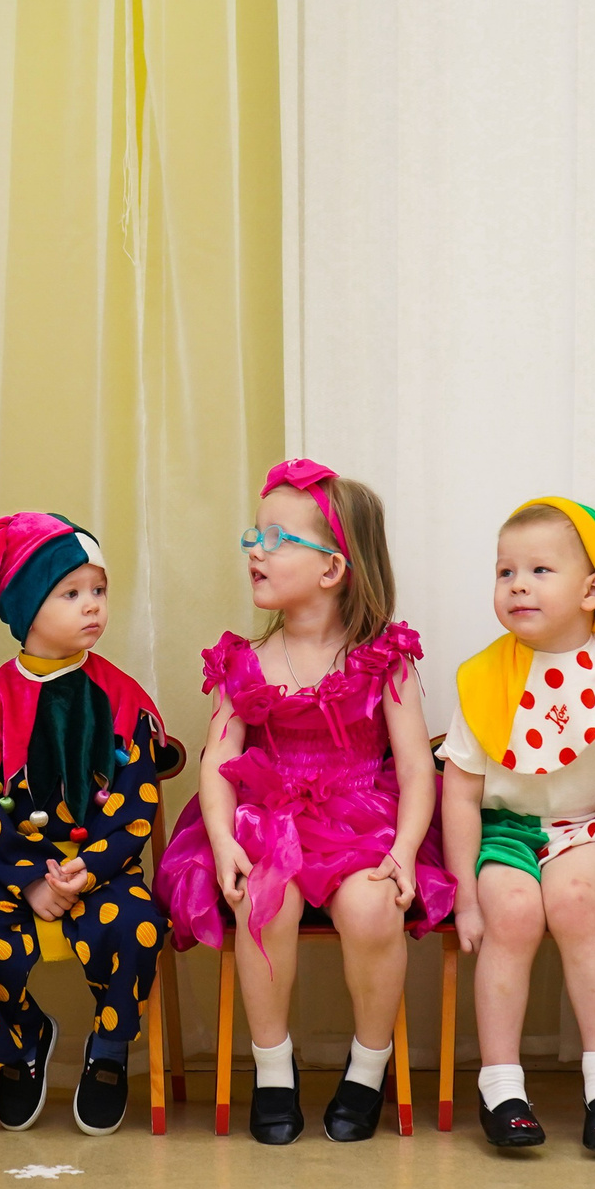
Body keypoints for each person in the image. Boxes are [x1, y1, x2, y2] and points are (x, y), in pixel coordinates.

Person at [160, 460, 456, 1145]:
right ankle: (272, 1066)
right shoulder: (244, 660)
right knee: (262, 900)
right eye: (253, 536)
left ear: (332, 568)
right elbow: (217, 765)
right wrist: (224, 841)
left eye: (276, 539)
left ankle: (367, 1065)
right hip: (267, 817)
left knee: (372, 903)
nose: (254, 551)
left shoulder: (385, 658)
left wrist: (405, 852)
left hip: (363, 815)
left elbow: (416, 769)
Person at [439, 497, 595, 1153]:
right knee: (513, 913)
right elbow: (459, 793)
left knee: (575, 906)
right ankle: (501, 1085)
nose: (518, 583)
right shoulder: (485, 677)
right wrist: (464, 892)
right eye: (504, 570)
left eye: (540, 569)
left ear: (591, 590)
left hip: (580, 828)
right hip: (505, 829)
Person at [0, 510, 166, 1135]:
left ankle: (110, 1053)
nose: (92, 606)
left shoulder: (123, 698)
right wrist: (32, 880)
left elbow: (136, 802)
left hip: (101, 864)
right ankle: (21, 1040)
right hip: (12, 867)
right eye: (71, 593)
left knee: (138, 924)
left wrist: (86, 872)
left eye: (99, 591)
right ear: (26, 607)